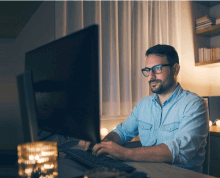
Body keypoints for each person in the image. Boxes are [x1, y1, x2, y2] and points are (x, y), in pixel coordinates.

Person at [79, 44, 209, 173]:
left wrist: (125, 153)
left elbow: (180, 150)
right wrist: (103, 143)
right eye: (147, 70)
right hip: (148, 173)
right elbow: (122, 132)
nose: (150, 76)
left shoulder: (195, 104)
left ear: (175, 69)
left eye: (157, 69)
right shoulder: (143, 105)